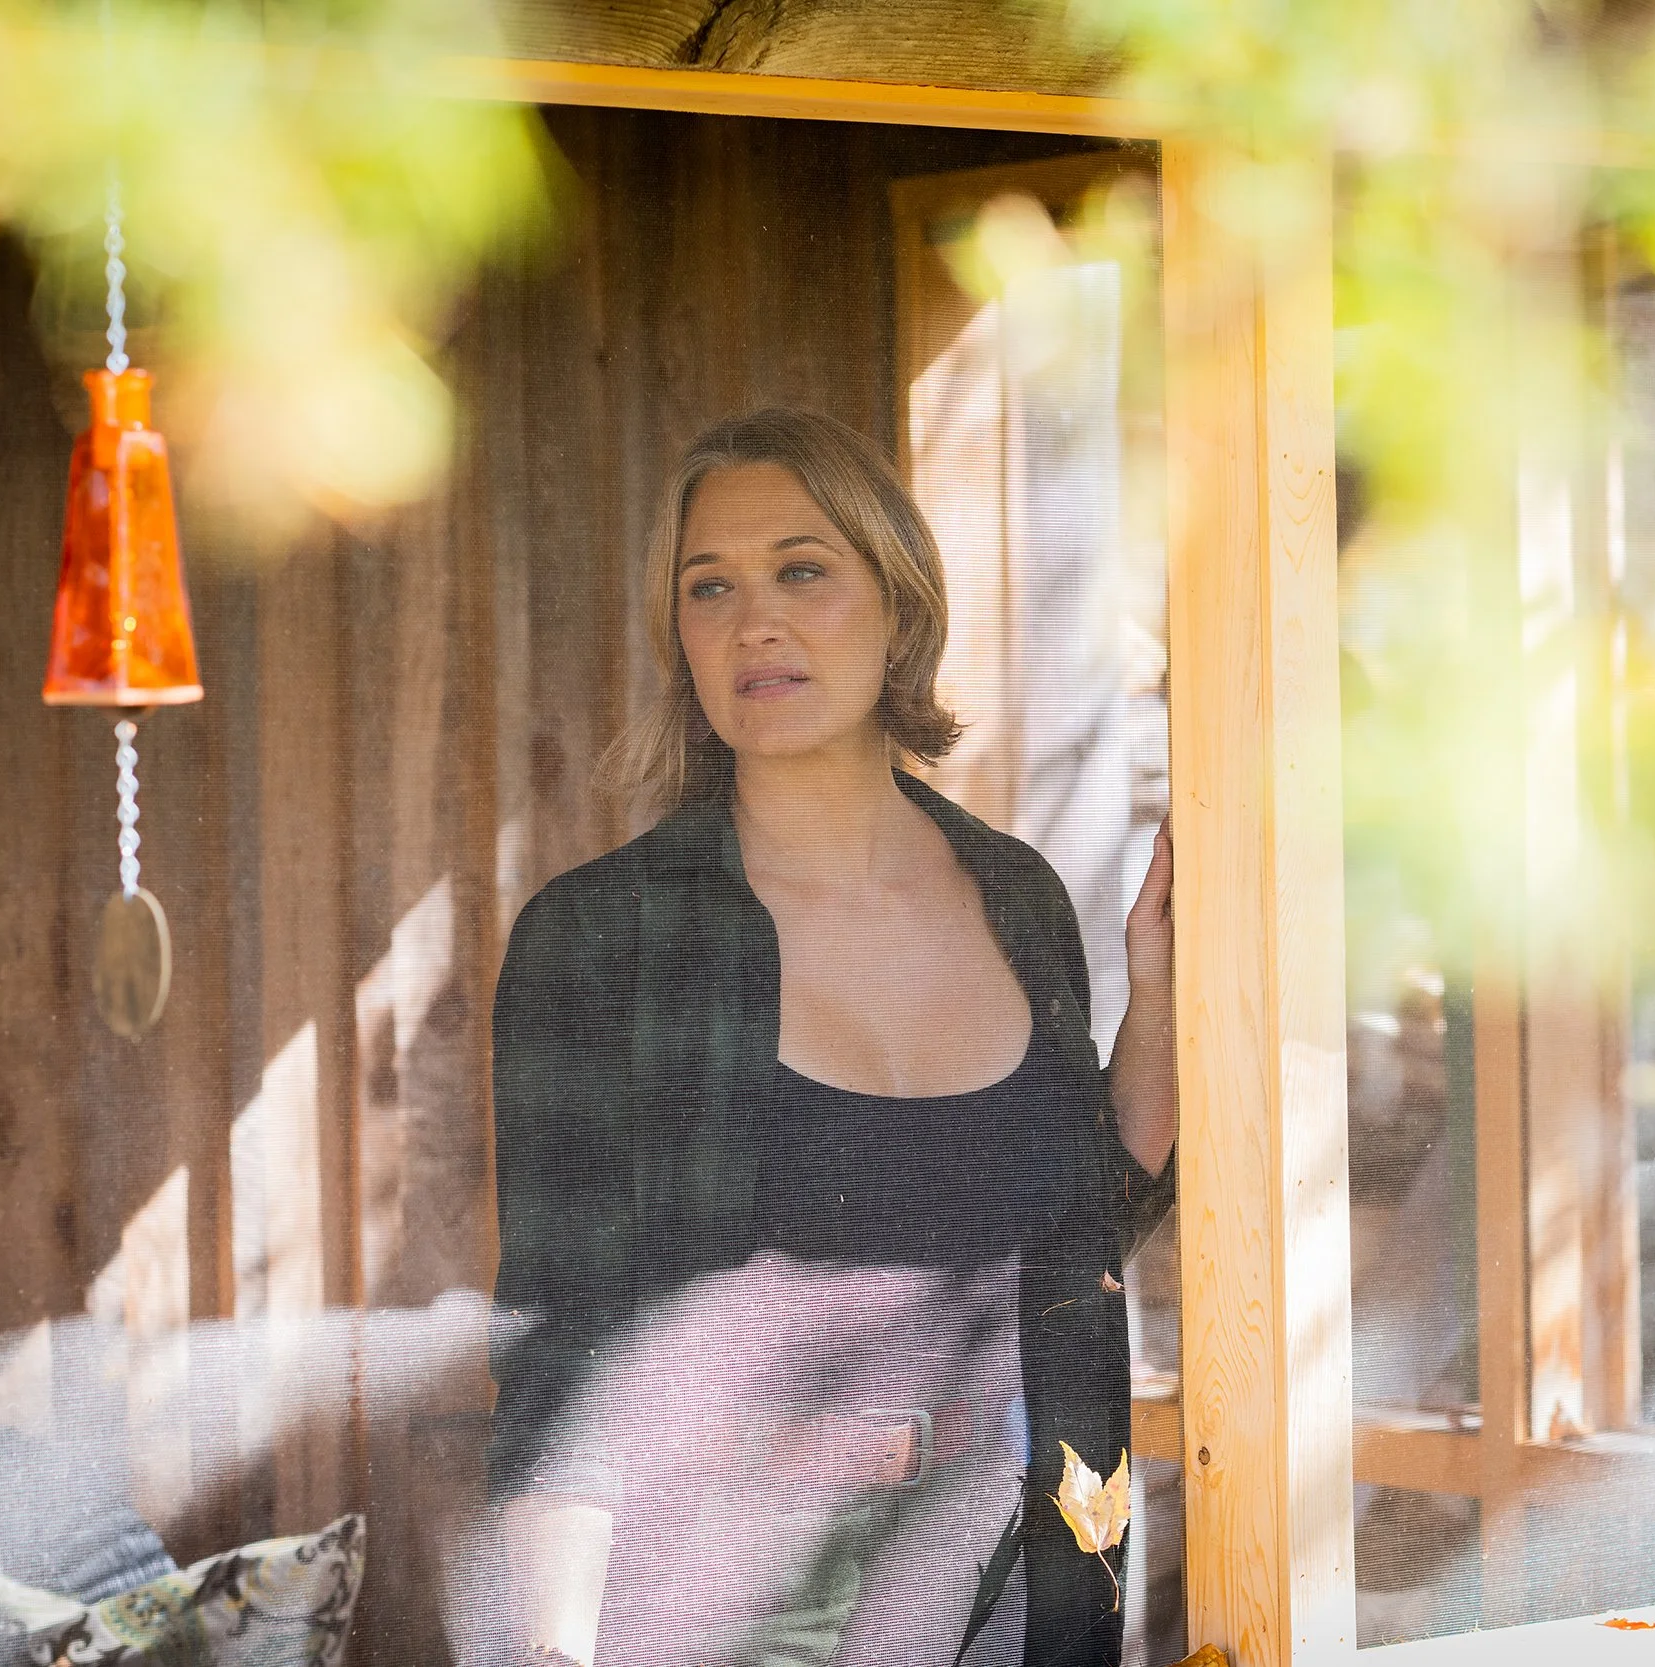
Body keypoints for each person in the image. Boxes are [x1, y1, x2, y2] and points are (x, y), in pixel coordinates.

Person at [485, 407, 1178, 1667]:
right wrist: (548, 1650)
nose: (756, 620)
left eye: (803, 569)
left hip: (1015, 1571)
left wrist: (1168, 992)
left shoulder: (1014, 894)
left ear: (897, 603)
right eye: (712, 587)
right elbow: (561, 1352)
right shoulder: (598, 937)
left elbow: (1075, 1236)